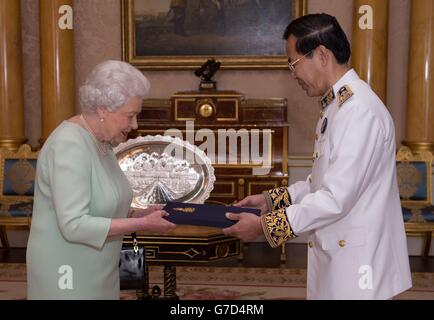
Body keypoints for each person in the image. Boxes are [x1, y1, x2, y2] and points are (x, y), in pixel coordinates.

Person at [223, 13, 412, 300]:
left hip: (358, 268)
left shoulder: (358, 110)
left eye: (294, 63)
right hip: (343, 255)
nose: (293, 74)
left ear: (322, 54)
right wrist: (271, 201)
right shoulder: (338, 105)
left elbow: (336, 197)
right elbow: (322, 182)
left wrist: (266, 226)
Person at [26, 60, 176, 299]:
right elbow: (74, 225)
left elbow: (100, 205)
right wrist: (141, 225)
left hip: (99, 269)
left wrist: (137, 215)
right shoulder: (69, 145)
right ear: (103, 109)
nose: (134, 125)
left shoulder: (101, 142)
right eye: (130, 116)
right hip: (67, 272)